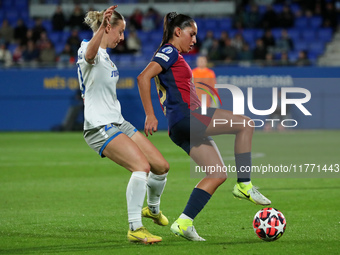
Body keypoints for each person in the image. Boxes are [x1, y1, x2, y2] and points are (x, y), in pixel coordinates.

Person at [137, 12, 271, 242]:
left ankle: (184, 222)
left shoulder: (172, 54)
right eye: (192, 34)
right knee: (246, 125)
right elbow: (142, 77)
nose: (195, 40)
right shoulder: (169, 51)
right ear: (178, 32)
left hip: (179, 127)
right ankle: (245, 185)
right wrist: (149, 114)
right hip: (188, 117)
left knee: (217, 174)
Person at [76, 5, 169, 244]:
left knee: (160, 166)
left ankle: (153, 209)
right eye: (120, 31)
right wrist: (101, 31)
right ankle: (135, 228)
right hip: (99, 126)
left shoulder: (105, 57)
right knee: (141, 167)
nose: (122, 37)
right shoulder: (88, 48)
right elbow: (89, 56)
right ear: (107, 28)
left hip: (118, 122)